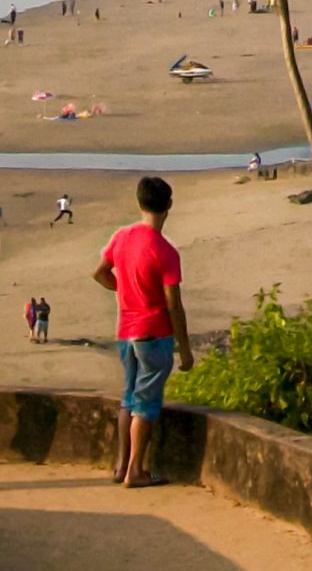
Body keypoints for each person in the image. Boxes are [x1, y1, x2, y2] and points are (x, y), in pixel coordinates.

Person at [93, 176, 191, 487]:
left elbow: (99, 272)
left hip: (127, 329)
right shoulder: (166, 251)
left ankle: (122, 465)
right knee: (146, 403)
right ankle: (135, 470)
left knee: (128, 398)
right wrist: (185, 349)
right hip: (153, 332)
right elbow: (174, 303)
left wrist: (123, 290)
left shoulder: (122, 237)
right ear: (169, 206)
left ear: (139, 203)